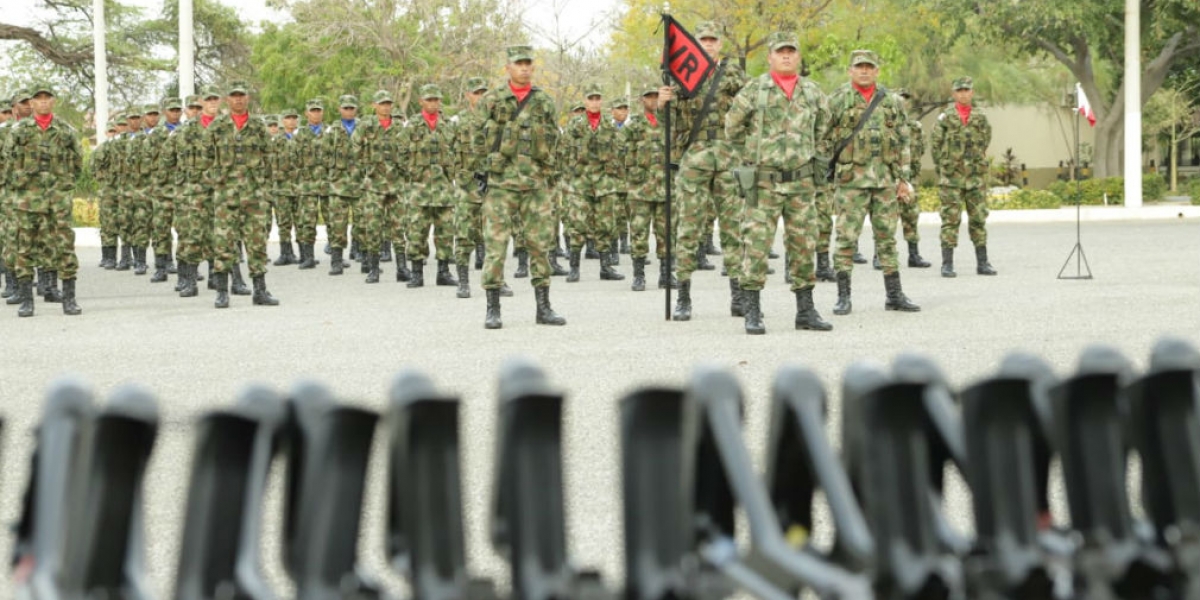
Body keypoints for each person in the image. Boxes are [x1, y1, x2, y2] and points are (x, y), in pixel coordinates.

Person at [726, 32, 832, 334]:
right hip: (764, 182)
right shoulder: (754, 90)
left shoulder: (812, 92)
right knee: (756, 245)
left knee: (803, 244)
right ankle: (753, 311)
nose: (786, 56)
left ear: (798, 56)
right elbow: (732, 128)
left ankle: (805, 311)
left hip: (801, 182)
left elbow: (823, 127)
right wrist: (751, 156)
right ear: (770, 57)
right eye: (780, 52)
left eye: (791, 51)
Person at [658, 21, 748, 321]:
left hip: (727, 155)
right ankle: (683, 296)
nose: (708, 44)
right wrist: (663, 102)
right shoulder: (681, 76)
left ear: (720, 44)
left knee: (733, 228)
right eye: (703, 40)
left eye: (713, 40)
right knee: (688, 228)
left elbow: (749, 111)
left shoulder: (734, 74)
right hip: (694, 156)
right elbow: (669, 122)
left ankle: (738, 295)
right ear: (694, 43)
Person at [475, 44, 566, 329]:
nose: (524, 68)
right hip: (501, 184)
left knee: (540, 245)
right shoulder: (492, 100)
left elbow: (555, 141)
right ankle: (493, 309)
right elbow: (474, 139)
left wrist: (550, 174)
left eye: (528, 63)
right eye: (519, 63)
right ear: (508, 68)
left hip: (535, 184)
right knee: (496, 246)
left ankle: (544, 307)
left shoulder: (545, 101)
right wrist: (485, 167)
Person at [826, 49, 919, 315]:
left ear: (877, 71)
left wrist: (903, 179)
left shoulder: (890, 101)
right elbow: (822, 136)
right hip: (851, 181)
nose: (864, 71)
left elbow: (903, 141)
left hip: (885, 182)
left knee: (887, 239)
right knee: (846, 239)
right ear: (850, 71)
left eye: (869, 67)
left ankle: (894, 295)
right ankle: (843, 297)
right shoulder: (838, 99)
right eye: (859, 67)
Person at [1, 83, 83, 317]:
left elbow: (77, 162)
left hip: (57, 199)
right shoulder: (19, 131)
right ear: (32, 103)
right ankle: (27, 299)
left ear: (53, 101)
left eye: (48, 98)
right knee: (24, 247)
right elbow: (7, 162)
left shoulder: (65, 130)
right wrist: (18, 188)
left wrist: (65, 186)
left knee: (64, 245)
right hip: (27, 199)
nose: (43, 102)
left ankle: (69, 298)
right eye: (38, 99)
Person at [203, 80, 278, 308]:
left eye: (241, 95)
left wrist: (264, 189)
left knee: (256, 243)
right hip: (226, 196)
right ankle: (222, 292)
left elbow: (269, 159)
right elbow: (204, 159)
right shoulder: (217, 127)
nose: (238, 99)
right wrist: (215, 182)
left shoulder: (257, 126)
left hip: (254, 195)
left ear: (247, 98)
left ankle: (260, 290)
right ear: (228, 99)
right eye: (234, 95)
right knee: (223, 243)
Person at [931, 76, 996, 277]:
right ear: (954, 94)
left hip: (976, 178)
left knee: (978, 219)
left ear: (972, 92)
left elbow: (985, 140)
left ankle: (982, 263)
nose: (963, 94)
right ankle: (947, 264)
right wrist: (945, 165)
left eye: (966, 90)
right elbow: (935, 145)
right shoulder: (945, 118)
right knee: (950, 220)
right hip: (951, 178)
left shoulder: (980, 117)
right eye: (959, 91)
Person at [562, 84, 625, 283]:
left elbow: (619, 152)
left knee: (605, 225)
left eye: (598, 98)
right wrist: (570, 177)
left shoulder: (609, 124)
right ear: (585, 101)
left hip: (605, 183)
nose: (595, 102)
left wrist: (616, 178)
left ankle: (605, 267)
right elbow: (565, 151)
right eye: (591, 98)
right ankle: (574, 268)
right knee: (578, 224)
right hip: (581, 182)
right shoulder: (575, 125)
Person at [400, 84, 460, 288]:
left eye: (436, 99)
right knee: (417, 231)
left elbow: (457, 151)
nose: (433, 103)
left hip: (443, 188)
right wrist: (412, 173)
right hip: (419, 189)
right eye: (429, 99)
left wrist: (451, 173)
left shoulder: (448, 125)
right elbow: (400, 153)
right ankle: (417, 273)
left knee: (445, 232)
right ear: (421, 102)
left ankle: (443, 272)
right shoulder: (412, 125)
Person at [623, 86, 677, 292]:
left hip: (665, 186)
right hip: (641, 188)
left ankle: (665, 274)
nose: (653, 100)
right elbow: (619, 146)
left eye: (656, 96)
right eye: (649, 97)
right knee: (638, 231)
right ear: (641, 100)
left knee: (666, 232)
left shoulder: (668, 121)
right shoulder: (635, 125)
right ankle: (639, 275)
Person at [353, 90, 399, 284]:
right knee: (373, 226)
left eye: (388, 103)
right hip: (373, 183)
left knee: (398, 225)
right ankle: (373, 267)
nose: (386, 106)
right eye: (382, 103)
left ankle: (402, 267)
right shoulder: (366, 125)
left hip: (396, 183)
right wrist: (364, 170)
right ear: (375, 105)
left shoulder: (399, 127)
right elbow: (354, 149)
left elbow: (406, 152)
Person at [452, 77, 490, 298]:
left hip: (491, 185)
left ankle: (495, 280)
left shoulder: (497, 121)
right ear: (468, 96)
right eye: (477, 93)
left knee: (493, 236)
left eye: (484, 92)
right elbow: (448, 151)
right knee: (464, 233)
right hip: (467, 186)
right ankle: (463, 281)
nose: (481, 96)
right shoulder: (458, 121)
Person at [322, 95, 362, 275]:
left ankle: (365, 258)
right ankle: (336, 261)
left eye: (351, 108)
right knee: (338, 224)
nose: (349, 111)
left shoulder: (363, 127)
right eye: (345, 108)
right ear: (340, 109)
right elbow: (323, 154)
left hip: (360, 184)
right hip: (338, 185)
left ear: (356, 109)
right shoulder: (332, 130)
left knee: (364, 223)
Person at [292, 98, 326, 270]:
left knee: (334, 220)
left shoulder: (331, 132)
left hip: (328, 182)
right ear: (306, 113)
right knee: (307, 220)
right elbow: (293, 159)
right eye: (313, 110)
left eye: (319, 110)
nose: (316, 113)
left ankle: (337, 257)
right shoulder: (300, 134)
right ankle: (308, 256)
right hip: (307, 183)